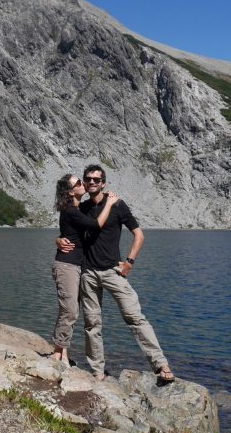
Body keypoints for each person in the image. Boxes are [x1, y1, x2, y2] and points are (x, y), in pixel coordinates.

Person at [60, 164, 175, 385]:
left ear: (103, 183)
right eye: (88, 179)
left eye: (96, 179)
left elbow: (139, 235)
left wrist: (129, 262)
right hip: (89, 273)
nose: (92, 182)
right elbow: (69, 233)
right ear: (84, 182)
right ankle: (97, 373)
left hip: (114, 271)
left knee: (135, 317)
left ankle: (161, 364)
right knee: (92, 324)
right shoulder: (81, 208)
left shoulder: (118, 205)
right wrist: (58, 239)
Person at [51, 174, 119, 365]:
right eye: (79, 183)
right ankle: (58, 353)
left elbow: (69, 233)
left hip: (75, 265)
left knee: (69, 309)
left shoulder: (76, 209)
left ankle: (63, 352)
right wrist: (109, 204)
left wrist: (58, 238)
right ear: (71, 191)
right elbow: (96, 225)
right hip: (67, 265)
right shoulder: (71, 210)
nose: (83, 183)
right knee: (70, 311)